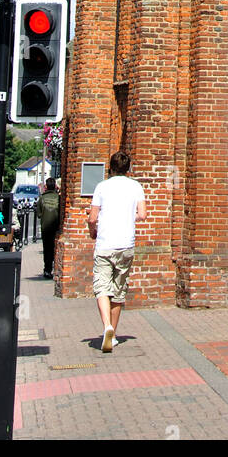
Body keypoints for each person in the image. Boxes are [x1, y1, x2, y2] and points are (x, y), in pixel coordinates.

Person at [87, 151, 145, 354]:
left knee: (102, 287)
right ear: (128, 169)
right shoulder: (136, 186)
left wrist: (92, 231)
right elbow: (143, 214)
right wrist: (129, 216)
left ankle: (106, 327)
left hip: (105, 243)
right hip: (125, 244)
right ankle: (114, 333)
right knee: (119, 291)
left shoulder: (102, 187)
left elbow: (92, 218)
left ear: (110, 168)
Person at [35, 177, 60, 278]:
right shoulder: (58, 198)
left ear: (46, 186)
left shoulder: (42, 198)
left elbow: (39, 214)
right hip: (56, 227)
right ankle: (57, 269)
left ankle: (47, 269)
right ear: (55, 186)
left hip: (45, 227)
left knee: (47, 249)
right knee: (55, 248)